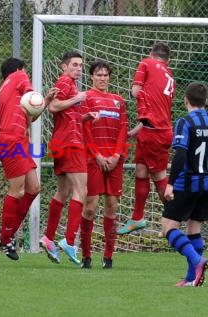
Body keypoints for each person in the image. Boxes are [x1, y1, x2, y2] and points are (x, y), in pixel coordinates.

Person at [162, 82, 208, 287]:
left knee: (168, 228)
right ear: (206, 101)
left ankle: (198, 261)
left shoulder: (186, 122)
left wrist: (171, 184)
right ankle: (191, 278)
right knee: (193, 230)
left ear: (185, 100)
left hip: (186, 183)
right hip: (207, 184)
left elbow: (180, 154)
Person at [0, 57, 57, 261]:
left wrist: (45, 102)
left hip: (17, 138)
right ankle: (5, 237)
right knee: (18, 190)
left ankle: (7, 235)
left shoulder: (4, 91)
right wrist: (39, 97)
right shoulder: (19, 76)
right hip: (12, 139)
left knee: (33, 189)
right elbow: (32, 96)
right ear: (18, 69)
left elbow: (30, 116)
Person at [118, 42, 176, 235]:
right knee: (141, 171)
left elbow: (135, 91)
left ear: (151, 54)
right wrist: (134, 132)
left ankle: (174, 217)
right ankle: (137, 217)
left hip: (155, 134)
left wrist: (138, 95)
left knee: (159, 177)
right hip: (153, 130)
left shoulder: (146, 63)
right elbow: (155, 112)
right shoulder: (169, 75)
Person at [79, 61, 128, 269]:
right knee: (90, 208)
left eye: (106, 75)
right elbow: (84, 129)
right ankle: (86, 256)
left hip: (115, 160)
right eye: (99, 75)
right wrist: (97, 154)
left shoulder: (118, 101)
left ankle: (108, 257)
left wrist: (117, 154)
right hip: (93, 159)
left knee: (112, 207)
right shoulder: (86, 98)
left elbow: (123, 130)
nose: (103, 78)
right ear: (91, 77)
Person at [40, 51, 87, 265]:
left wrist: (84, 116)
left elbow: (64, 113)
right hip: (70, 143)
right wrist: (77, 98)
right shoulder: (65, 81)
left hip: (61, 141)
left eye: (80, 65)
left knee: (63, 191)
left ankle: (48, 238)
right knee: (81, 191)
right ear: (64, 66)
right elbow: (53, 106)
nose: (79, 69)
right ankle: (69, 241)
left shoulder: (69, 83)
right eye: (75, 65)